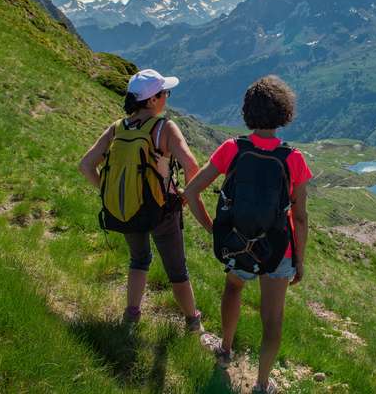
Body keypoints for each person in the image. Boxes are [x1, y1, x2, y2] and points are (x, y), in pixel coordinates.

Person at [184, 75, 311, 394]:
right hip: (277, 250)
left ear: (247, 111)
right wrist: (299, 260)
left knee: (233, 288)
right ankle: (262, 384)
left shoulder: (232, 148)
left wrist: (214, 231)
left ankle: (225, 351)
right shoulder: (293, 158)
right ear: (285, 113)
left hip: (238, 243)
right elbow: (300, 216)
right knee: (273, 319)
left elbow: (191, 191)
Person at [79, 69, 208, 331]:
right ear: (151, 100)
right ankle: (192, 321)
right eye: (164, 93)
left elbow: (85, 166)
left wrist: (110, 191)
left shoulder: (117, 128)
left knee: (139, 260)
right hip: (163, 210)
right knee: (176, 270)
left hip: (128, 208)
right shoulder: (164, 128)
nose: (166, 98)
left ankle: (131, 316)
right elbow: (192, 166)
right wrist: (184, 194)